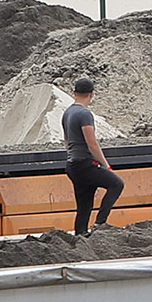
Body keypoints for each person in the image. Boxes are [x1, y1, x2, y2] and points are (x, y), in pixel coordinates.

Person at [63, 76, 123, 232]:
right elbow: (92, 144)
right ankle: (99, 223)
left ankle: (80, 236)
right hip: (85, 164)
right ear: (91, 94)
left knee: (84, 206)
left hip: (72, 165)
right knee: (117, 184)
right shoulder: (84, 114)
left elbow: (66, 141)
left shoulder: (67, 113)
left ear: (74, 92)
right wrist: (106, 166)